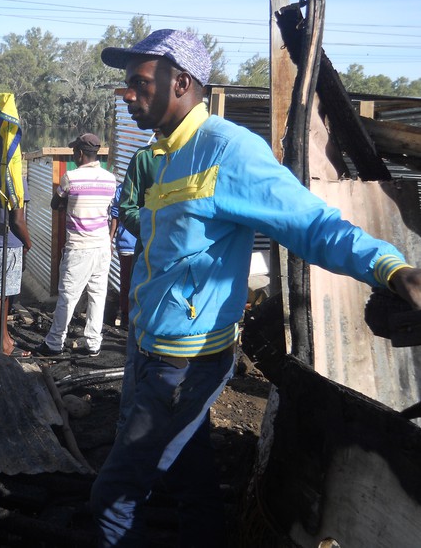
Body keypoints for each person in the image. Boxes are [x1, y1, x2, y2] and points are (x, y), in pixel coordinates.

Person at [90, 28, 421, 547]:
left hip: (183, 364)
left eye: (137, 82)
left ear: (181, 82)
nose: (127, 93)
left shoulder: (228, 150)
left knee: (113, 498)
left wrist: (390, 267)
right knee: (190, 477)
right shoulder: (168, 154)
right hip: (150, 349)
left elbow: (310, 224)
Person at [34, 133, 116, 358]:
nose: (73, 155)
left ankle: (54, 343)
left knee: (68, 297)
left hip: (79, 247)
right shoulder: (110, 179)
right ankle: (93, 343)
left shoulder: (71, 177)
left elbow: (55, 203)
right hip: (101, 246)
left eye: (74, 152)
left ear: (80, 153)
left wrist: (65, 203)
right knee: (97, 296)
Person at [0, 177, 32, 358]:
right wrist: (28, 242)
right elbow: (18, 220)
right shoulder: (16, 181)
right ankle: (4, 344)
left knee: (5, 293)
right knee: (1, 294)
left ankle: (5, 338)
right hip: (11, 243)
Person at [108, 180, 137, 330]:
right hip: (133, 244)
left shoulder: (122, 189)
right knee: (130, 282)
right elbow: (115, 216)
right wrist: (110, 240)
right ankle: (128, 316)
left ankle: (127, 317)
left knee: (126, 282)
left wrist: (111, 239)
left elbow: (115, 217)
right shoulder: (122, 189)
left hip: (130, 244)